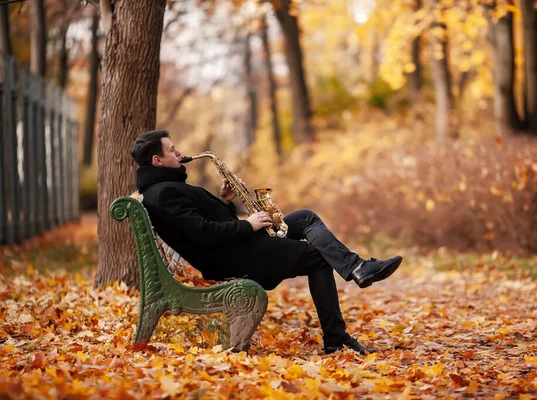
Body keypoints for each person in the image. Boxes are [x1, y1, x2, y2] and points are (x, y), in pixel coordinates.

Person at [131, 130, 403, 355]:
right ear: (157, 160)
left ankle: (356, 267)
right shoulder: (164, 193)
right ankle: (336, 337)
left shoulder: (165, 188)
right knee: (317, 259)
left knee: (305, 217)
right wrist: (248, 225)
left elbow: (202, 225)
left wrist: (225, 201)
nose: (179, 154)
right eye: (173, 150)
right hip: (233, 256)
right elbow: (202, 233)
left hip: (234, 247)